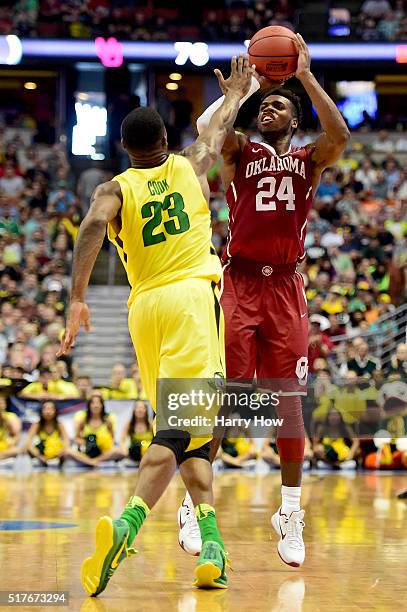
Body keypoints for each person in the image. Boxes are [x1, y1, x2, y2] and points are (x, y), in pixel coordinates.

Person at [58, 56, 254, 594]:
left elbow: (94, 225)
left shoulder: (114, 189)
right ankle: (128, 525)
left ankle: (212, 545)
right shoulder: (191, 164)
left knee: (192, 434)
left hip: (144, 310)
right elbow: (215, 131)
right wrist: (237, 92)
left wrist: (77, 297)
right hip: (192, 300)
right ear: (165, 138)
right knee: (178, 431)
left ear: (125, 149)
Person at [178, 34, 350, 568]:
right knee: (221, 396)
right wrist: (245, 87)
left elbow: (339, 135)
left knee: (288, 403)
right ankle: (193, 501)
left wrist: (302, 76)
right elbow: (209, 132)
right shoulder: (241, 150)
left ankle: (290, 512)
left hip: (285, 289)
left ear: (294, 121)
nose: (269, 108)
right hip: (240, 283)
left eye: (280, 105)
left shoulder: (307, 160)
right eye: (265, 105)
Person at [24, 400, 69, 466]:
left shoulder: (59, 425)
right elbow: (27, 443)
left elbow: (66, 441)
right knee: (27, 450)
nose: (48, 412)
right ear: (41, 411)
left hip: (57, 455)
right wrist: (38, 455)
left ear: (55, 411)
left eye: (51, 409)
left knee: (67, 452)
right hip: (41, 455)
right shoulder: (37, 425)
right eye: (45, 409)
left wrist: (61, 452)